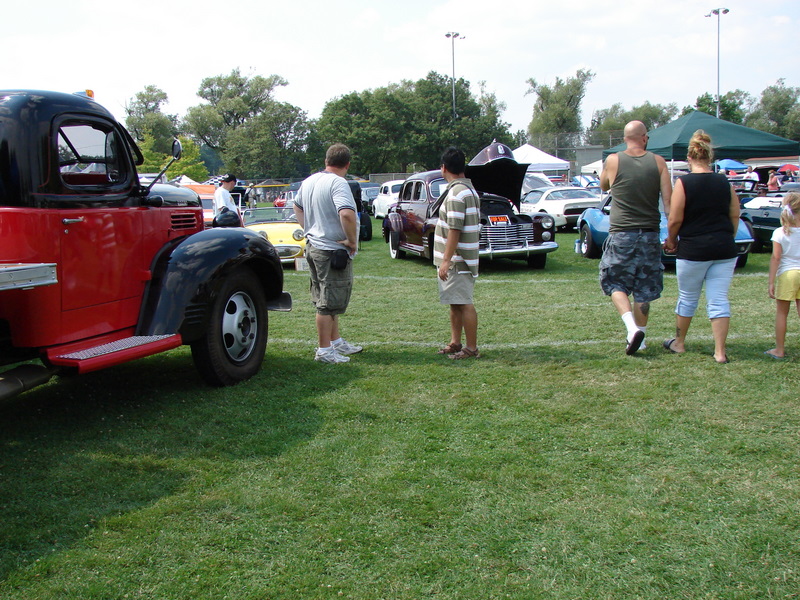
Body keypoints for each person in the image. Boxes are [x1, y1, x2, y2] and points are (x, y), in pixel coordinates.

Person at [662, 130, 740, 364]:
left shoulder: (684, 183)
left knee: (687, 298)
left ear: (689, 157)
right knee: (719, 300)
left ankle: (679, 343)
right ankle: (720, 352)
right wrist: (728, 236)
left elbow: (675, 219)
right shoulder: (724, 182)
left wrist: (671, 240)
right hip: (723, 249)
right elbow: (734, 214)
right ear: (709, 156)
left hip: (693, 249)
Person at [599, 120, 673, 354]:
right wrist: (672, 235)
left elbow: (603, 185)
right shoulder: (659, 162)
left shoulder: (613, 160)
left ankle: (632, 330)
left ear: (625, 138)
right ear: (644, 138)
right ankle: (641, 338)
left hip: (622, 233)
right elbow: (668, 202)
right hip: (650, 234)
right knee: (644, 288)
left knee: (614, 282)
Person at [293, 143, 361, 364]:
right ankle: (324, 351)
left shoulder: (309, 181)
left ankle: (335, 342)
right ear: (347, 164)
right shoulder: (338, 183)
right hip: (331, 250)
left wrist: (309, 229)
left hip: (314, 247)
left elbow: (297, 207)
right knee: (327, 303)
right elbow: (347, 214)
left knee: (329, 297)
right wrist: (352, 241)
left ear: (326, 161)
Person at [433, 147, 481, 360]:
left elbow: (455, 228)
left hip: (458, 260)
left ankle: (471, 348)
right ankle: (456, 342)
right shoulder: (468, 189)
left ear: (443, 168)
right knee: (455, 302)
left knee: (464, 303)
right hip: (460, 259)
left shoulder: (456, 193)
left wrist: (446, 260)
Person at [765, 192, 800, 359]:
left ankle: (779, 349)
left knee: (782, 313)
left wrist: (771, 282)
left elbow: (776, 258)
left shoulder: (780, 232)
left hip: (788, 274)